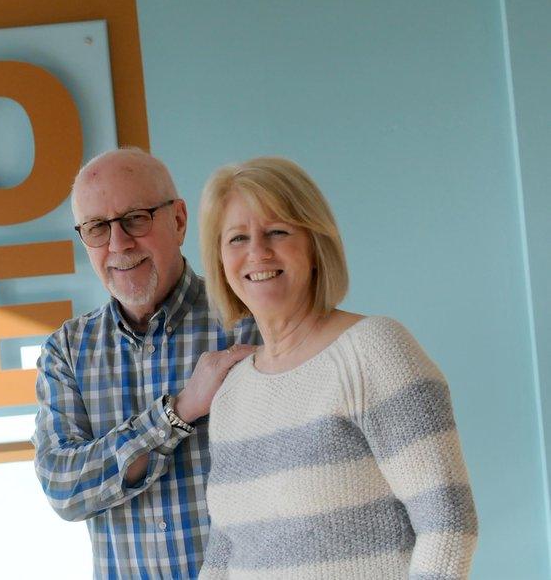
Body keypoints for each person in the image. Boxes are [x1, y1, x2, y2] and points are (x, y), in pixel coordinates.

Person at [197, 156, 478, 579]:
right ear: (220, 260)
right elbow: (225, 550)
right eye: (237, 238)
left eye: (277, 231)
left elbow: (449, 521)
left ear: (314, 247)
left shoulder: (375, 351)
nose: (257, 252)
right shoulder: (233, 392)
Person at [32, 147, 259, 579]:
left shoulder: (247, 321)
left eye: (135, 218)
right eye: (97, 228)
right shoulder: (67, 350)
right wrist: (176, 413)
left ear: (178, 220)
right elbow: (64, 489)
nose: (118, 244)